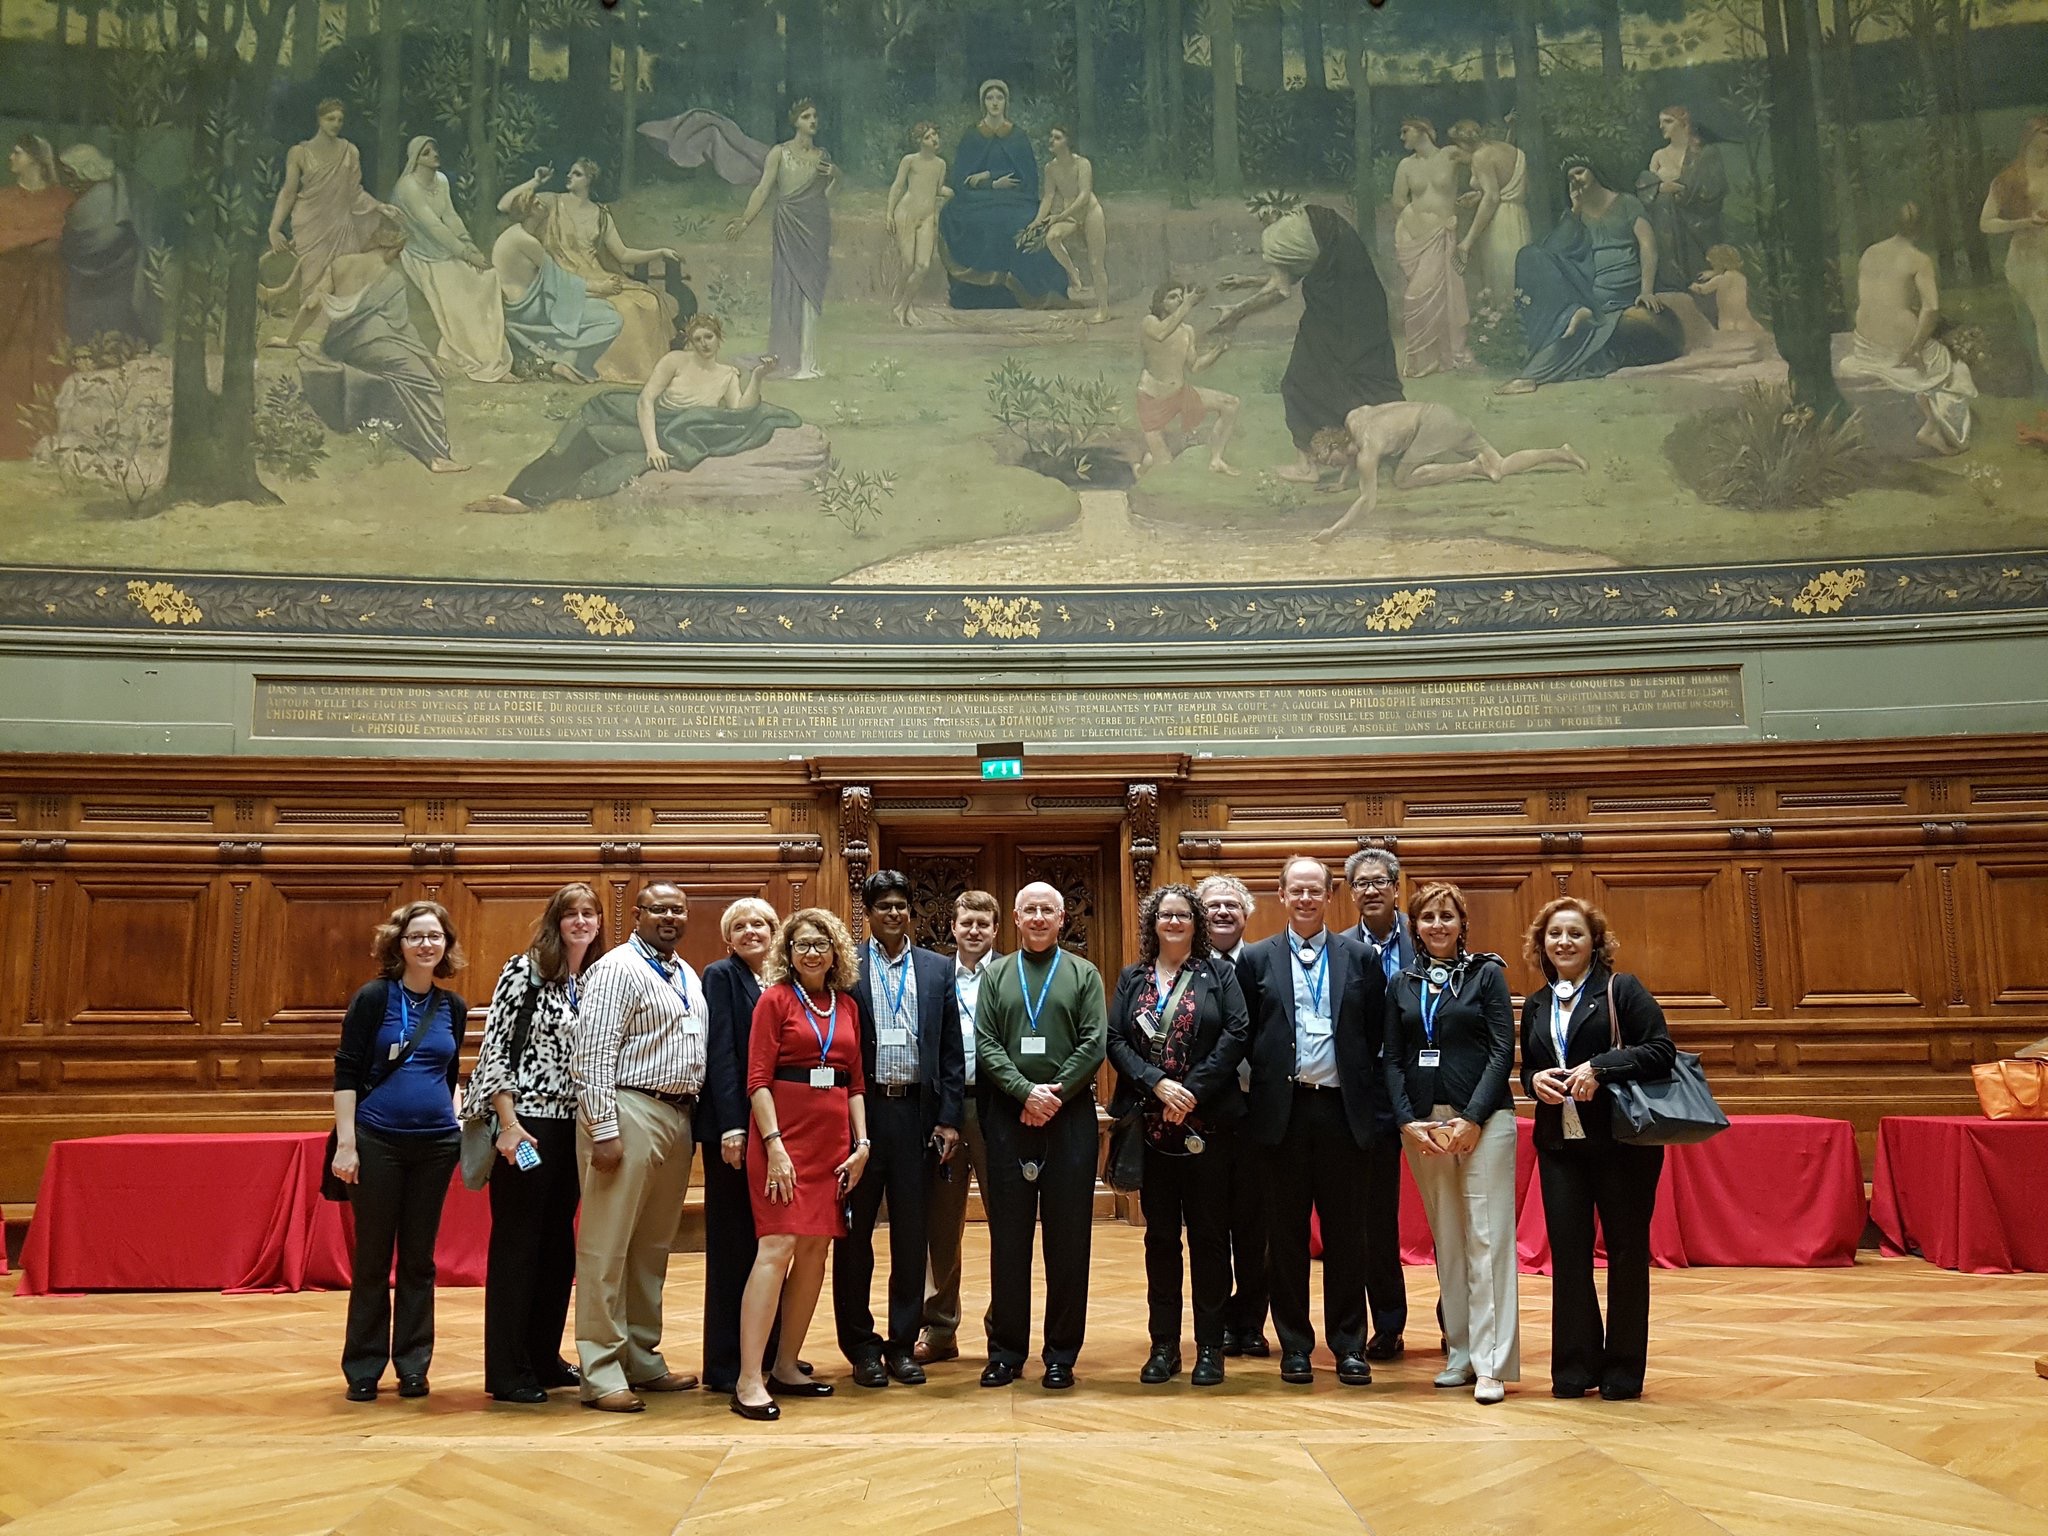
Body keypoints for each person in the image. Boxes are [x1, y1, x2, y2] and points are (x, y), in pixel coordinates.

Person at [1521, 897, 1677, 1402]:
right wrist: (1533, 1079)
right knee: (1568, 1256)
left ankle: (1624, 1370)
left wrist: (1600, 1068)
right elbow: (1529, 1067)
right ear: (1541, 945)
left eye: (1574, 934)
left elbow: (1660, 1051)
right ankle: (1573, 1366)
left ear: (1595, 943)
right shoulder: (1537, 1002)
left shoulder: (1621, 989)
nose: (1563, 942)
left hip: (1622, 1144)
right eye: (1554, 935)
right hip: (1561, 1144)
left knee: (1627, 1254)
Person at [1235, 857, 1384, 1386]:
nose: (1304, 899)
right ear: (1280, 894)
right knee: (1286, 1236)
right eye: (1295, 890)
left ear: (1328, 896)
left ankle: (1348, 1345)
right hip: (1282, 1114)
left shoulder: (1360, 957)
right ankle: (1295, 1345)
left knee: (1348, 1235)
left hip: (1343, 1113)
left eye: (1314, 891)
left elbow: (1373, 1034)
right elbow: (1244, 1035)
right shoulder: (1254, 959)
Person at [568, 880, 707, 1412]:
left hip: (676, 1114)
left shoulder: (685, 973)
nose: (669, 917)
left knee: (651, 1248)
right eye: (659, 909)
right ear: (638, 914)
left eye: (678, 909)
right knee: (606, 1248)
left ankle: (641, 1357)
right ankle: (600, 1369)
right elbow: (594, 1052)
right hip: (628, 1111)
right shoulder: (618, 968)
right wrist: (602, 1127)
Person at [1106, 884, 1252, 1387]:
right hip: (1150, 1129)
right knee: (1161, 1239)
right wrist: (1157, 1085)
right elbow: (1115, 1040)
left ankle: (1210, 1346)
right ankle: (1164, 1345)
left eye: (1182, 915)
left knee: (1210, 1239)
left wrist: (1189, 1091)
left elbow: (1237, 1034)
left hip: (1207, 1128)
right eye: (1165, 916)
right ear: (1153, 924)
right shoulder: (1133, 977)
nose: (1173, 923)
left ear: (1196, 924)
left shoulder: (1220, 974)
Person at [466, 882, 605, 1403]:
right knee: (518, 1245)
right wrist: (507, 1122)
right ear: (556, 921)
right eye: (571, 913)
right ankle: (506, 1371)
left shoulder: (589, 979)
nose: (581, 922)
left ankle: (544, 1357)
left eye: (589, 913)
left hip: (573, 1127)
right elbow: (496, 1048)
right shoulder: (524, 970)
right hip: (526, 1126)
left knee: (557, 1246)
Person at [732, 909, 871, 1419]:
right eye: (801, 945)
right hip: (782, 1139)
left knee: (815, 1251)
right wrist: (774, 1146)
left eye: (821, 944)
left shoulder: (849, 1006)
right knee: (778, 1245)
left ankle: (786, 1365)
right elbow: (756, 1080)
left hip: (833, 1142)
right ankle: (749, 1377)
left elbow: (854, 1083)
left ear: (836, 952)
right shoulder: (774, 1001)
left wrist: (863, 1143)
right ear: (787, 954)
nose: (812, 953)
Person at [1385, 881, 1519, 1405]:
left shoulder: (1486, 974)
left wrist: (1473, 1117)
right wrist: (1405, 1120)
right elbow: (1392, 1058)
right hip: (1425, 1127)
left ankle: (1492, 1363)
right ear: (1413, 926)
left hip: (1484, 1124)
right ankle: (1460, 1352)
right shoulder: (1403, 981)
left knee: (1487, 1240)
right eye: (1427, 917)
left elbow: (1502, 1050)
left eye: (1447, 916)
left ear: (1462, 923)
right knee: (1448, 1241)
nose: (1437, 925)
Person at [329, 900, 468, 1402]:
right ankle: (364, 1366)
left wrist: (456, 1124)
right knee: (372, 1258)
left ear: (446, 946)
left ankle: (413, 1364)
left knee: (419, 1260)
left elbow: (448, 1077)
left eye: (435, 936)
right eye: (417, 937)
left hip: (435, 1147)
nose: (427, 944)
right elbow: (346, 1070)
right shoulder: (373, 997)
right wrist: (347, 1144)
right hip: (376, 1141)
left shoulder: (452, 1006)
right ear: (399, 944)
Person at [974, 881, 1107, 1388]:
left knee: (1068, 1241)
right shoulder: (998, 973)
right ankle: (1006, 1351)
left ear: (1061, 918)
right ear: (1015, 916)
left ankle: (1061, 1354)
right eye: (1028, 909)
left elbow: (1095, 1041)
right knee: (1008, 1241)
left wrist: (1052, 1094)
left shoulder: (1083, 973)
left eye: (1046, 910)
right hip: (1009, 1117)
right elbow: (985, 1043)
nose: (1037, 918)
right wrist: (1023, 1092)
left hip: (1069, 1118)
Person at [835, 870, 964, 1387]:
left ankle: (901, 1344)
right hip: (862, 1118)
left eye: (901, 905)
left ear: (912, 910)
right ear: (868, 912)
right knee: (855, 1237)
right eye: (883, 905)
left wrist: (949, 1119)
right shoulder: (847, 968)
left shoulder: (936, 970)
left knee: (912, 1239)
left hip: (917, 1116)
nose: (893, 913)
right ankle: (861, 1346)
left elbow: (952, 1049)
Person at [474, 313, 800, 512]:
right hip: (651, 425)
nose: (703, 344)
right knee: (583, 432)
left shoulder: (728, 374)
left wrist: (757, 377)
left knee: (593, 440)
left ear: (719, 338)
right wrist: (652, 446)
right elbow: (645, 401)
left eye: (709, 337)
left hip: (678, 437)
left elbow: (738, 412)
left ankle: (527, 500)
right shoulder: (675, 361)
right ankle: (518, 494)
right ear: (689, 341)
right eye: (697, 339)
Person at [1211, 191, 1403, 483]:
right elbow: (1306, 266)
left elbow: (1280, 289)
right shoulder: (1308, 217)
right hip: (1359, 304)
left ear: (1267, 215)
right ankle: (1390, 451)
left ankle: (1307, 466)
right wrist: (1249, 281)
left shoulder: (1275, 238)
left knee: (1298, 382)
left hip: (1333, 311)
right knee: (1366, 371)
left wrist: (1236, 313)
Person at [268, 229, 467, 473]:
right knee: (428, 385)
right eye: (399, 251)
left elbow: (311, 304)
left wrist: (290, 339)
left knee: (399, 382)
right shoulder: (391, 279)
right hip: (374, 345)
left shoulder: (340, 264)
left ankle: (428, 448)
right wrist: (427, 360)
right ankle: (436, 456)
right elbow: (402, 328)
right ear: (394, 249)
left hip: (338, 345)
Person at [1501, 157, 1681, 394]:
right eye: (1570, 177)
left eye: (1579, 171)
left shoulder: (1626, 202)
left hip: (1621, 282)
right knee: (1530, 254)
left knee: (1578, 325)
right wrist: (1574, 212)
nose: (1575, 179)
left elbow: (1648, 246)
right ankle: (1576, 313)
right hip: (1589, 283)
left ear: (1594, 170)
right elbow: (1554, 251)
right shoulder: (1579, 210)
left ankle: (1531, 375)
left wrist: (1646, 290)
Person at [500, 159, 682, 383]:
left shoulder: (601, 215)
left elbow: (623, 254)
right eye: (570, 172)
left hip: (598, 275)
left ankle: (648, 373)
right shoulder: (551, 203)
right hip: (564, 278)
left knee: (647, 302)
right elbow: (506, 205)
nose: (569, 176)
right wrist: (536, 181)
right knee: (625, 309)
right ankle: (583, 366)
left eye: (576, 174)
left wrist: (659, 252)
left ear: (589, 181)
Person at [918, 889, 1001, 1366]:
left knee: (1005, 1225)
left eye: (982, 924)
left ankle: (1002, 1330)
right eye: (966, 922)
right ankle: (940, 1330)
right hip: (945, 1112)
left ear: (995, 930)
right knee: (941, 1227)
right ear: (953, 927)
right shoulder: (933, 975)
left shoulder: (1010, 973)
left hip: (997, 1110)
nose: (973, 931)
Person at [700, 896, 779, 1394]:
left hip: (777, 1129)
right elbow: (722, 1054)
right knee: (732, 1245)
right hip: (735, 1130)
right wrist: (732, 1125)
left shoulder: (783, 980)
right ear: (728, 938)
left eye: (760, 924)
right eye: (741, 926)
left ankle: (767, 1353)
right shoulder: (721, 976)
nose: (752, 931)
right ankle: (726, 1363)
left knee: (769, 1242)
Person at [1306, 402, 1586, 543]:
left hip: (1433, 424)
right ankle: (1561, 453)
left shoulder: (1368, 451)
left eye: (1333, 461)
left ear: (1337, 444)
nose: (1336, 466)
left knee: (1402, 480)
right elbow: (1349, 457)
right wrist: (1343, 483)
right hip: (1445, 413)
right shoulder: (1355, 417)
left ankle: (1472, 467)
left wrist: (1334, 530)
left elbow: (1368, 501)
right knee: (1499, 467)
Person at [1343, 848, 1412, 1363]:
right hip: (1368, 1095)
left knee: (1449, 1215)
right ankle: (1387, 1324)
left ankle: (1457, 1323)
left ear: (1395, 886)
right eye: (1360, 883)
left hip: (1427, 1090)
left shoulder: (1430, 936)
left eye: (1378, 881)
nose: (1370, 890)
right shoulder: (1340, 948)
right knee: (1373, 1217)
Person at [1195, 874, 1268, 1359]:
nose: (1222, 912)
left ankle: (1252, 1323)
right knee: (1210, 1224)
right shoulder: (1190, 969)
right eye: (1212, 906)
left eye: (1231, 905)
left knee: (1256, 1226)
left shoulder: (1267, 963)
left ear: (1246, 914)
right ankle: (1217, 1322)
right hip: (1206, 1113)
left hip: (1261, 1112)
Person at [1837, 204, 1976, 455]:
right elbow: (1931, 308)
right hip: (1898, 346)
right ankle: (1931, 426)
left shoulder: (1869, 253)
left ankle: (1926, 421)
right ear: (1922, 227)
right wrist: (1914, 348)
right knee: (1953, 366)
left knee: (1927, 349)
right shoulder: (1919, 260)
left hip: (1865, 342)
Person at [726, 99, 836, 378]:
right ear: (795, 121)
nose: (812, 121)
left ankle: (810, 359)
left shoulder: (823, 155)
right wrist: (745, 220)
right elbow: (763, 189)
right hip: (789, 225)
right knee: (788, 285)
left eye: (815, 116)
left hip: (816, 226)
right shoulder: (779, 152)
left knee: (812, 286)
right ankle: (788, 357)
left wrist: (837, 176)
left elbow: (826, 194)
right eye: (806, 116)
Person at [390, 135, 512, 383]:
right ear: (416, 159)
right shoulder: (408, 187)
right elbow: (432, 225)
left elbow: (450, 217)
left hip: (446, 250)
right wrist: (465, 254)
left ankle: (491, 355)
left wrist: (468, 245)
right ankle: (476, 357)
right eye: (426, 152)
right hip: (421, 253)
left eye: (434, 149)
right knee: (458, 299)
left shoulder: (442, 181)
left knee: (483, 281)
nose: (434, 154)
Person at [939, 80, 1070, 309]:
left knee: (1022, 222)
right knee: (962, 217)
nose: (995, 103)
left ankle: (1021, 293)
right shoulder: (972, 135)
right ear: (983, 103)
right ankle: (975, 295)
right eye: (990, 98)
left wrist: (992, 176)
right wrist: (990, 183)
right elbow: (960, 180)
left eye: (999, 98)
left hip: (1015, 199)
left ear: (1006, 102)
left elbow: (1028, 180)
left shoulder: (1017, 136)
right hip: (977, 200)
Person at [267, 99, 392, 304]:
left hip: (342, 224)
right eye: (330, 119)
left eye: (340, 120)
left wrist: (379, 206)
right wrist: (274, 229)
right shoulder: (299, 153)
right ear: (319, 120)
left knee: (345, 277)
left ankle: (339, 332)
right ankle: (313, 331)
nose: (335, 124)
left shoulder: (350, 151)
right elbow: (288, 193)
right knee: (314, 282)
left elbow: (354, 192)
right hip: (310, 224)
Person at [0, 134, 74, 460]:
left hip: (48, 292)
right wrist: (40, 238)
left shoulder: (63, 199)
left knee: (44, 359)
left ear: (33, 158)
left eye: (17, 152)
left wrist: (45, 242)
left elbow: (68, 238)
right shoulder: (5, 199)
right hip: (10, 293)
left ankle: (44, 439)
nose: (10, 158)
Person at [490, 222, 624, 384]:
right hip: (531, 309)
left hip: (533, 303)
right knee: (613, 319)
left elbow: (552, 280)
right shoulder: (525, 241)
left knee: (606, 307)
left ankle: (569, 360)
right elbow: (559, 278)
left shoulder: (514, 233)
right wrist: (600, 287)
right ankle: (568, 359)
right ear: (533, 214)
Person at [1391, 118, 1472, 378]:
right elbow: (1398, 200)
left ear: (1423, 130)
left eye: (1406, 130)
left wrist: (1478, 193)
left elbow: (1481, 161)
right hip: (1414, 235)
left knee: (1418, 296)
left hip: (1442, 233)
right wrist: (1416, 224)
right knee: (1417, 294)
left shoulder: (1449, 155)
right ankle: (1422, 359)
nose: (1402, 135)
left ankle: (1441, 355)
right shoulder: (1405, 165)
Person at [1135, 278, 1239, 478]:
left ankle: (1216, 460)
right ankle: (1143, 467)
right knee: (1164, 468)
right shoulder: (1150, 322)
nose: (1178, 301)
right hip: (1153, 400)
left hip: (1180, 394)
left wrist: (1219, 349)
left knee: (1231, 404)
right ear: (1160, 302)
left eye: (1181, 297)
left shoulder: (1187, 331)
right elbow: (1161, 334)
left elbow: (1195, 366)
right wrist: (1188, 303)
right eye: (1173, 297)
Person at [57, 144, 152, 349]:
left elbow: (93, 241)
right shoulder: (110, 192)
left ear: (85, 170)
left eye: (71, 174)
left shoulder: (98, 197)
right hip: (109, 279)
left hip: (107, 281)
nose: (69, 181)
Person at [1981, 117, 2048, 395]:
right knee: (2043, 324)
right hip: (2028, 263)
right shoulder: (2009, 179)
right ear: (2030, 138)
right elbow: (1986, 223)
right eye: (2045, 133)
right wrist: (2023, 223)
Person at [1637, 105, 1727, 296]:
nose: (1662, 126)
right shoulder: (1658, 156)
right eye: (1660, 122)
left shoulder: (1704, 154)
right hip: (1667, 226)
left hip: (1699, 226)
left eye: (1668, 121)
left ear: (1685, 124)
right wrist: (1660, 188)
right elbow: (1647, 191)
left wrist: (1679, 190)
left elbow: (1713, 190)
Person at [1024, 124, 1110, 323]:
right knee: (1052, 237)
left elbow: (1084, 195)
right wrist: (1037, 221)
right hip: (1069, 215)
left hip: (1090, 212)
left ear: (1067, 141)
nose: (1051, 141)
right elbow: (1048, 196)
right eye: (1051, 137)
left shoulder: (1083, 164)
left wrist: (1060, 216)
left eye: (1057, 137)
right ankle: (1072, 271)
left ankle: (1103, 309)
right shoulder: (1050, 168)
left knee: (1096, 263)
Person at [1448, 120, 1530, 313]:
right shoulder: (1509, 148)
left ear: (1463, 143)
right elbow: (1503, 187)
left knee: (1503, 279)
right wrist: (1477, 195)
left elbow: (1492, 198)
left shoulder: (1480, 156)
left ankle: (1505, 328)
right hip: (1519, 217)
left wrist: (1467, 241)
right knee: (1517, 276)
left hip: (1500, 222)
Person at [886, 122, 952, 327]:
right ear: (919, 141)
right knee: (907, 264)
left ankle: (903, 307)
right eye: (928, 137)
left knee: (922, 266)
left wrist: (950, 192)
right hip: (906, 213)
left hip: (927, 217)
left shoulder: (941, 164)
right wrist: (888, 213)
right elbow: (897, 186)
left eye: (935, 135)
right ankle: (901, 306)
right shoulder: (910, 161)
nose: (934, 139)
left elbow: (938, 188)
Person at [1689, 245, 1762, 335]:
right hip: (1744, 320)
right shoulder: (1741, 277)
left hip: (1728, 321)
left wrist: (1690, 284)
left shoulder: (1721, 279)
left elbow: (1702, 290)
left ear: (1719, 263)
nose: (1712, 266)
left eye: (1712, 263)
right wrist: (1714, 273)